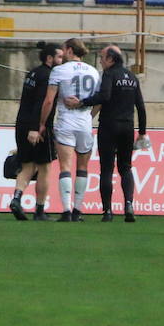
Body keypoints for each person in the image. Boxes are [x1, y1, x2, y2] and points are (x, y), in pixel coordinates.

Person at [68, 44, 147, 222]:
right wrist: (142, 132)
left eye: (103, 58)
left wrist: (81, 102)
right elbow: (141, 107)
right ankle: (129, 205)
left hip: (109, 126)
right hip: (127, 127)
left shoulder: (109, 74)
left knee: (106, 169)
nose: (101, 61)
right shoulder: (132, 77)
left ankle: (108, 211)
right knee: (126, 167)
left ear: (111, 59)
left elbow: (104, 96)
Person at [37, 37, 102, 221]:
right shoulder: (94, 71)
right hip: (85, 123)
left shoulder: (59, 70)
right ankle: (77, 210)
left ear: (70, 50)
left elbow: (49, 100)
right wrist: (89, 116)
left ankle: (66, 211)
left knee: (65, 167)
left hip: (66, 122)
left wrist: (42, 123)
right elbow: (100, 101)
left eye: (64, 50)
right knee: (82, 167)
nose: (63, 53)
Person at [9, 41, 63, 220]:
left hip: (21, 123)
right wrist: (36, 128)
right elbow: (43, 102)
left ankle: (17, 198)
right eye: (59, 57)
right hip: (39, 126)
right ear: (49, 58)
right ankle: (39, 210)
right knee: (45, 168)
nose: (62, 60)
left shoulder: (33, 73)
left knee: (27, 165)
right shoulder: (49, 76)